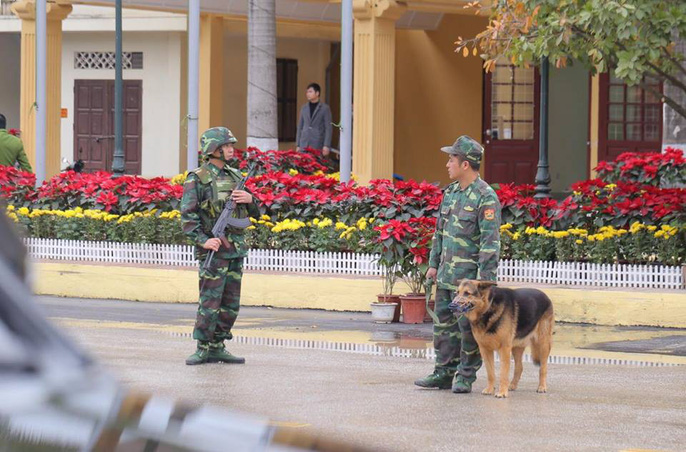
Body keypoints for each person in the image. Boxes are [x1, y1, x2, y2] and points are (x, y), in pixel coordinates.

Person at [414, 135, 501, 393]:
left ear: (465, 164)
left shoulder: (486, 197)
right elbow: (439, 232)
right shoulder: (450, 194)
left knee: (467, 329)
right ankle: (443, 372)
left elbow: (490, 243)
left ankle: (465, 376)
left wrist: (482, 283)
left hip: (468, 283)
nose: (447, 164)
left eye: (451, 159)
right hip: (445, 276)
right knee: (444, 327)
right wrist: (433, 264)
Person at [181, 127, 260, 366]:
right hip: (213, 250)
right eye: (226, 146)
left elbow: (254, 213)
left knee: (230, 303)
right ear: (213, 149)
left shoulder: (236, 176)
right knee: (210, 301)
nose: (230, 150)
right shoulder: (197, 178)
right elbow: (188, 217)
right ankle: (203, 347)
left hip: (235, 248)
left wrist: (251, 200)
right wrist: (204, 240)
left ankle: (218, 345)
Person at [295, 83, 332, 156]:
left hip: (317, 143)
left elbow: (328, 128)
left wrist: (326, 145)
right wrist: (298, 144)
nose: (307, 94)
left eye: (310, 92)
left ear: (317, 93)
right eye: (307, 92)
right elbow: (300, 126)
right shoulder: (304, 108)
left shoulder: (324, 108)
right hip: (304, 143)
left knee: (316, 166)